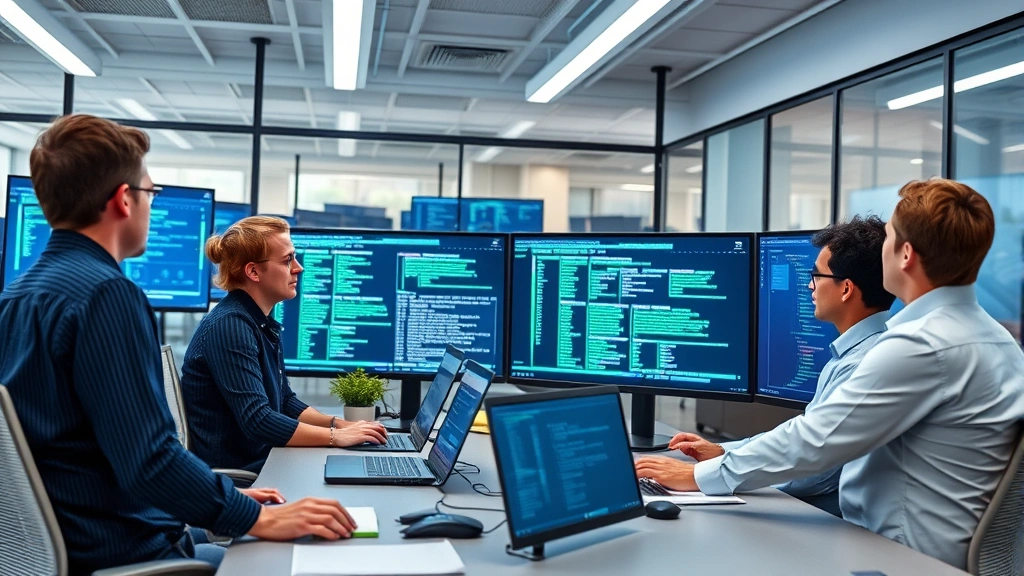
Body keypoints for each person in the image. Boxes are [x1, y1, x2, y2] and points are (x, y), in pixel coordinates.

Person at [0, 115, 358, 575]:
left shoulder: (16, 294)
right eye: (150, 193)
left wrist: (221, 494)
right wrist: (258, 517)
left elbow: (92, 450)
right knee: (294, 558)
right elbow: (148, 462)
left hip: (62, 542)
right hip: (117, 547)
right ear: (123, 201)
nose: (150, 205)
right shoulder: (107, 296)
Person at [636, 178, 1024, 570]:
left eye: (888, 238)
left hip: (900, 559)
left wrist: (700, 476)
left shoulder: (921, 346)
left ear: (905, 254)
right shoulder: (998, 339)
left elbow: (815, 442)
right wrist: (723, 455)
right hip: (927, 555)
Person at [669, 216, 895, 514]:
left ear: (846, 289)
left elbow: (816, 470)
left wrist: (702, 476)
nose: (809, 284)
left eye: (817, 276)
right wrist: (726, 452)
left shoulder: (867, 363)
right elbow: (804, 434)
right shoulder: (855, 353)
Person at [180, 216, 388, 473]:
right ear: (253, 271)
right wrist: (335, 437)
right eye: (287, 259)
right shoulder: (230, 326)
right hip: (246, 475)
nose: (298, 268)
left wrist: (337, 425)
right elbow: (258, 420)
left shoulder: (257, 321)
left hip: (268, 459)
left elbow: (285, 401)